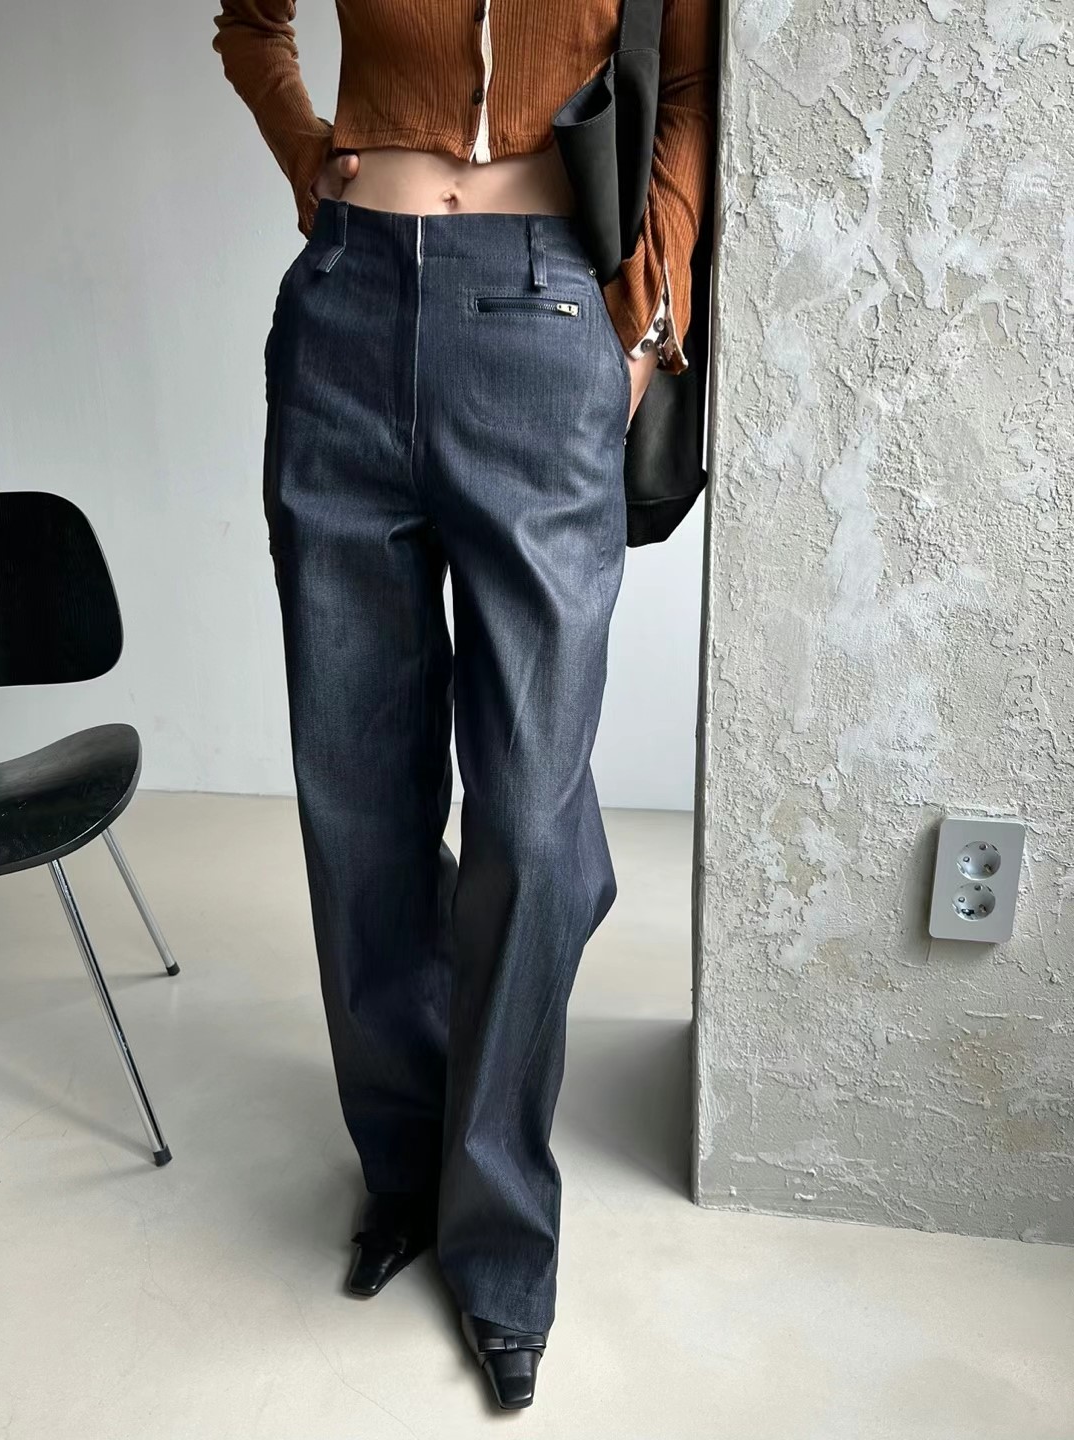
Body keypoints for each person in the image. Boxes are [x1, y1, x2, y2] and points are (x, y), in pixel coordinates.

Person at [212, 0, 711, 1410]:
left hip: (546, 316)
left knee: (534, 824)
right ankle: (404, 1165)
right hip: (346, 312)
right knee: (358, 802)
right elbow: (250, 25)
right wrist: (308, 154)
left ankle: (500, 1235)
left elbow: (689, 89)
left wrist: (645, 310)